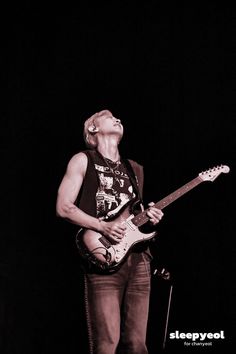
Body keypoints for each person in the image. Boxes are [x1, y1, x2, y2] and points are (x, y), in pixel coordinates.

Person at [56, 109, 164, 354]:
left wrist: (150, 215)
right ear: (93, 128)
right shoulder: (83, 159)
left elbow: (132, 217)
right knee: (106, 344)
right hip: (103, 252)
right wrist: (102, 225)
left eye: (119, 118)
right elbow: (63, 207)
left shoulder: (134, 168)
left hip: (139, 259)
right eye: (109, 116)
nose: (119, 119)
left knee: (137, 345)